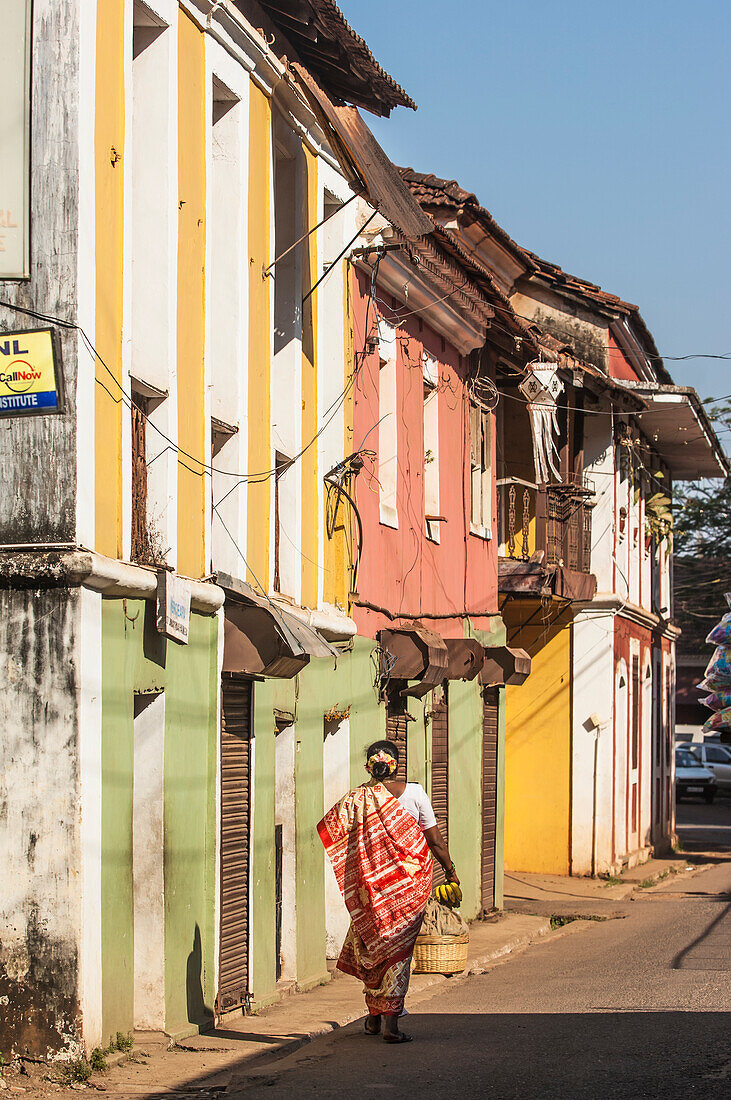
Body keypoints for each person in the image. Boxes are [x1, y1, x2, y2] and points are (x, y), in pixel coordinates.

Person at [317, 738, 460, 1043]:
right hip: (409, 889)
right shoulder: (416, 793)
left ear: (368, 765)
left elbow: (333, 829)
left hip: (372, 890)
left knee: (374, 948)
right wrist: (450, 872)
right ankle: (390, 1026)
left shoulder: (357, 798)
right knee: (398, 954)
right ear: (396, 765)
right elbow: (434, 841)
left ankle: (373, 1019)